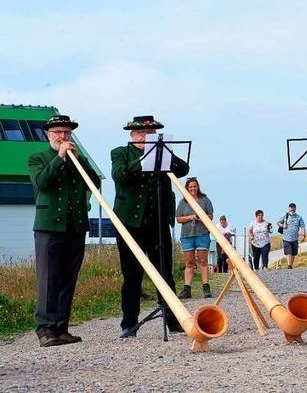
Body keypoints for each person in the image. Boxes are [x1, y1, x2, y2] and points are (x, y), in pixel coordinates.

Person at [111, 115, 190, 337]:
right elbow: (120, 175)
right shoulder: (120, 153)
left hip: (158, 221)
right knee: (132, 274)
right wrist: (145, 157)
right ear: (132, 135)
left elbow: (183, 168)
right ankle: (129, 323)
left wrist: (165, 156)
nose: (147, 137)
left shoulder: (163, 153)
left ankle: (173, 320)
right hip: (130, 223)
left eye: (151, 133)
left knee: (165, 272)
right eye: (142, 134)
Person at [28, 115, 101, 347]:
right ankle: (45, 329)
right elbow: (41, 182)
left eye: (67, 133)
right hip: (49, 227)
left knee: (68, 279)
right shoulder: (38, 158)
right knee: (48, 278)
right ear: (49, 135)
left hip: (75, 226)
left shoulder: (78, 160)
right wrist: (60, 157)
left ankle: (61, 327)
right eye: (58, 132)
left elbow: (94, 183)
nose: (63, 137)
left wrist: (82, 162)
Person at [176, 177, 214, 299]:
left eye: (195, 186)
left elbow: (211, 216)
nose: (193, 188)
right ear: (187, 188)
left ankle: (206, 287)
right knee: (189, 262)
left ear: (198, 187)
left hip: (202, 233)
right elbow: (178, 219)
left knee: (203, 261)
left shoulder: (205, 200)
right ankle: (187, 289)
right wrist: (191, 217)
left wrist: (201, 217)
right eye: (191, 186)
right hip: (187, 235)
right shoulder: (183, 202)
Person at [277, 203, 306, 269]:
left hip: (295, 238)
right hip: (286, 238)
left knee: (293, 252)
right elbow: (278, 222)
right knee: (288, 251)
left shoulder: (299, 217)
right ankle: (289, 265)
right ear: (289, 208)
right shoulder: (285, 216)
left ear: (295, 208)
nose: (292, 209)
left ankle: (290, 265)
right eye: (291, 207)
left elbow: (302, 226)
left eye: (293, 207)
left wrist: (303, 235)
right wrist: (282, 226)